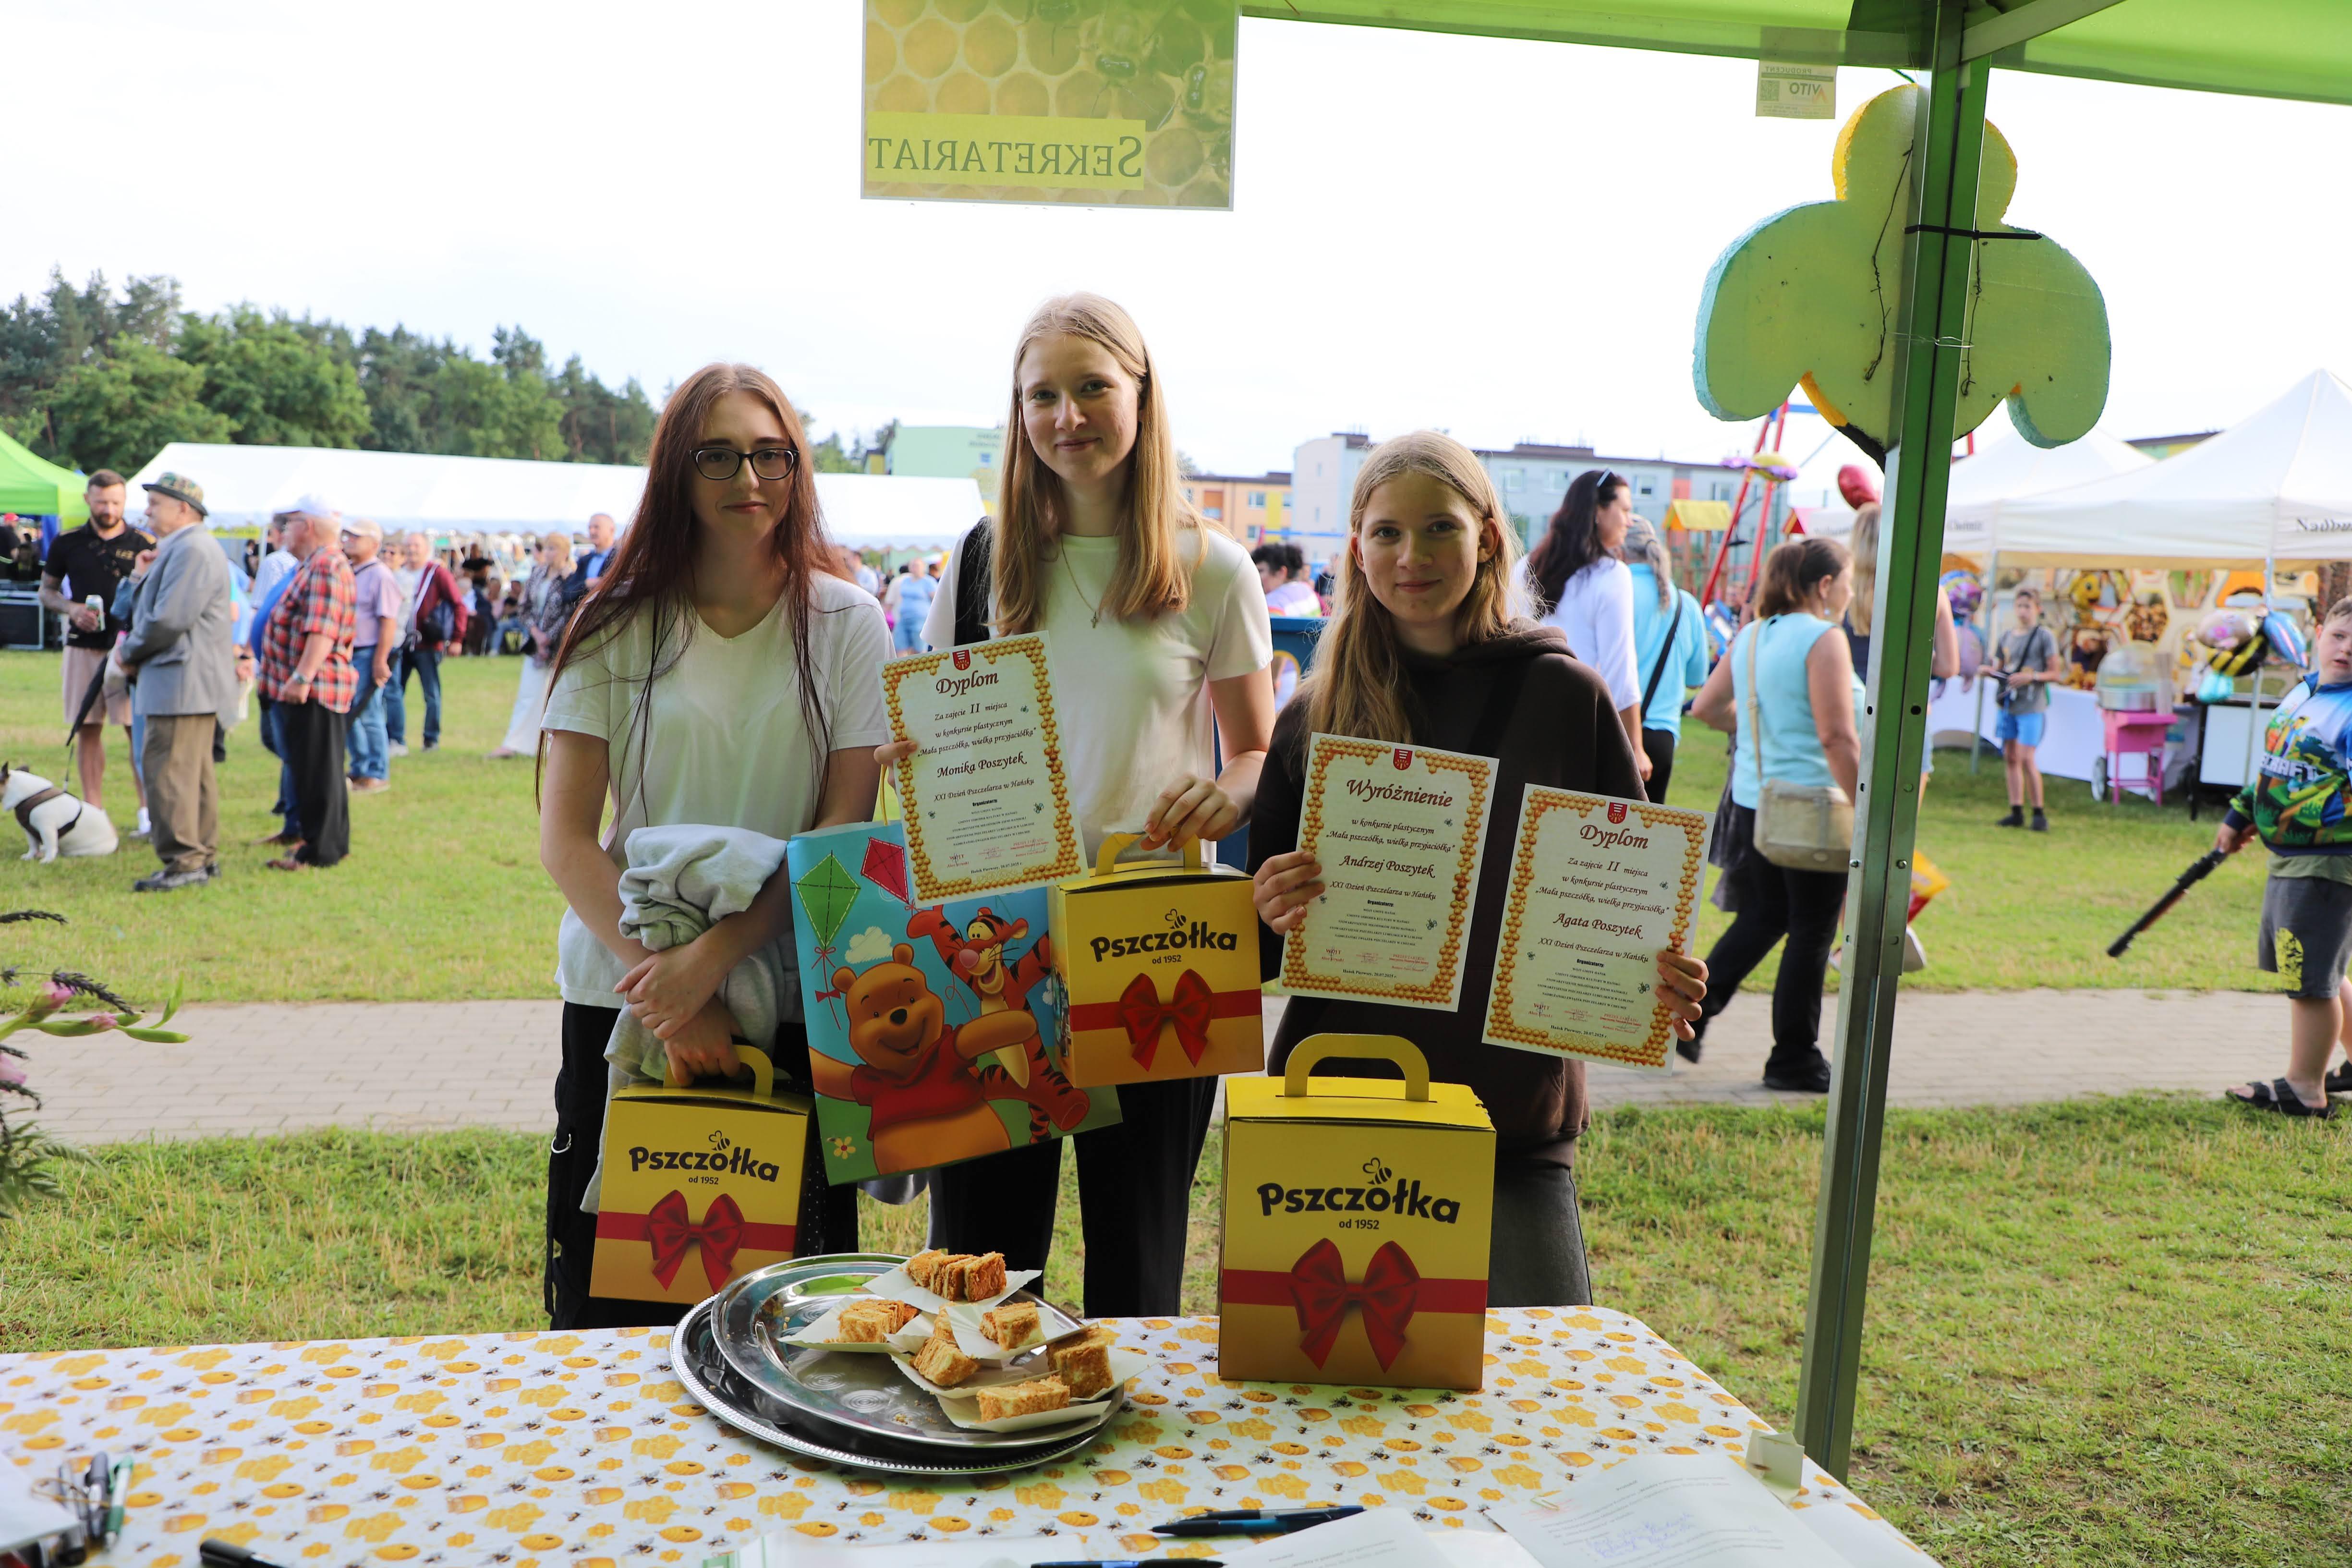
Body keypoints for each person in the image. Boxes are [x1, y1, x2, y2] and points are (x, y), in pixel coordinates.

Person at [1248, 432, 1706, 1306]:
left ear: (1488, 537)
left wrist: (1660, 978)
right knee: (1341, 1371)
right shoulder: (1315, 713)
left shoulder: (1566, 697)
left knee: (1538, 1369)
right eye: (1386, 533)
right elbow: (1261, 951)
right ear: (1356, 550)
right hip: (1344, 1099)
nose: (1410, 556)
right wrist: (1266, 907)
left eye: (1439, 529)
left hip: (1510, 1119)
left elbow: (1632, 903)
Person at [892, 292, 1275, 1318]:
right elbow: (938, 735)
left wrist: (1225, 793)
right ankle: (984, 1414)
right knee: (979, 1273)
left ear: (1142, 396)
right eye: (1041, 396)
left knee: (1137, 1269)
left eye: (1092, 387)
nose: (1066, 416)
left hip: (1153, 949)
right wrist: (912, 758)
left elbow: (1257, 751)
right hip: (996, 947)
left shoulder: (1212, 568)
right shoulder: (983, 558)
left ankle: (1128, 1430)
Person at [538, 362, 892, 1328]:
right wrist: (667, 991)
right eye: (719, 456)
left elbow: (841, 833)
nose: (750, 479)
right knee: (617, 1314)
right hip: (624, 999)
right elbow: (566, 839)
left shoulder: (847, 623)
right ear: (676, 472)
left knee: (785, 1320)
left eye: (772, 455)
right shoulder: (615, 622)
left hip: (787, 999)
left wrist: (711, 966)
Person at [1684, 537, 1863, 1093]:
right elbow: (1836, 737)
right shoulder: (1823, 638)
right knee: (1810, 931)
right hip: (1812, 806)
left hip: (1755, 800)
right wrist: (1870, 809)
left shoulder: (1753, 635)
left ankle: (1692, 1014)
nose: (1852, 591)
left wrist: (1764, 723)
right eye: (1849, 580)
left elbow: (1706, 707)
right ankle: (1793, 1057)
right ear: (1825, 585)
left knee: (1765, 916)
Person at [2219, 597, 2352, 1119]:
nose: (2347, 649)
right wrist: (2240, 815)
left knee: (2308, 978)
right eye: (2339, 635)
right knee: (2323, 968)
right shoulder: (2303, 692)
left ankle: (2305, 1089)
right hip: (2291, 855)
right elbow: (2275, 764)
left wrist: (2303, 813)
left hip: (2327, 860)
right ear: (2318, 633)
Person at [113, 473, 236, 892]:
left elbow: (169, 619)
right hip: (186, 681)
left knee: (167, 771)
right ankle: (200, 856)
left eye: (155, 503)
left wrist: (129, 652)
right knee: (191, 773)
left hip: (180, 680)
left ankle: (185, 862)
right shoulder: (185, 548)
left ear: (183, 508)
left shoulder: (192, 549)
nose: (146, 511)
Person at [41, 470, 153, 828]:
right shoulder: (67, 542)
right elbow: (47, 592)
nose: (109, 509)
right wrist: (73, 609)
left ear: (125, 501)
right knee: (88, 728)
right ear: (88, 499)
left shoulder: (144, 543)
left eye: (116, 502)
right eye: (102, 501)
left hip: (129, 650)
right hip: (83, 647)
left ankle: (148, 813)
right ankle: (94, 813)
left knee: (138, 730)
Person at [1528, 470, 1650, 785]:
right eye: (1625, 510)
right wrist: (1636, 748)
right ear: (1598, 511)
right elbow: (1620, 670)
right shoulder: (1612, 574)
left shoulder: (1525, 568)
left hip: (1523, 724)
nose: (1630, 521)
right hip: (1580, 729)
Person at [258, 505, 357, 871]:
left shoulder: (326, 565)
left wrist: (302, 677)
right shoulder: (317, 564)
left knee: (317, 772)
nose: (284, 530)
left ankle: (318, 851)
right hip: (312, 686)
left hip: (315, 687)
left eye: (291, 523)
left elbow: (322, 629)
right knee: (319, 769)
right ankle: (329, 843)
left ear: (308, 526)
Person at [1621, 517, 1708, 802]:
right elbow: (1696, 678)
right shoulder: (1686, 604)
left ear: (1619, 550)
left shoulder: (1613, 594)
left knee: (1593, 824)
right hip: (1662, 737)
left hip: (1614, 728)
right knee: (1647, 828)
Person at [488, 533, 575, 758]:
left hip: (559, 645)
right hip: (535, 644)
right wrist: (536, 634)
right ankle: (517, 743)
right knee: (528, 694)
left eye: (553, 549)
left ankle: (554, 748)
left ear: (565, 552)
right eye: (547, 549)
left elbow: (569, 612)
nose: (549, 553)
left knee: (554, 696)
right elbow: (524, 607)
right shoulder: (537, 573)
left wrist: (549, 637)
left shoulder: (571, 578)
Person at [1991, 585, 2062, 831]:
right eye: (2020, 606)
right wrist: (1990, 671)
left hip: (2032, 705)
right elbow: (2001, 668)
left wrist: (2031, 677)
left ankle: (2039, 813)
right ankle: (2016, 810)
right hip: (2009, 704)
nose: (2023, 611)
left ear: (2037, 609)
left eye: (2028, 607)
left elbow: (2055, 673)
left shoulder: (2044, 637)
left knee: (2026, 757)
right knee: (2010, 757)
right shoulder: (2006, 637)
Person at [390, 531, 468, 753]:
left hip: (427, 644)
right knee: (394, 692)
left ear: (426, 548)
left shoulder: (436, 573)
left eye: (416, 545)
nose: (412, 550)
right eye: (408, 545)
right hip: (401, 644)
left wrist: (457, 638)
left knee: (431, 693)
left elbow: (458, 605)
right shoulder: (398, 573)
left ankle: (431, 739)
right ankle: (394, 737)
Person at [341, 519, 401, 794]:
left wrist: (380, 660)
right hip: (348, 653)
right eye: (350, 536)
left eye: (358, 537)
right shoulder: (350, 570)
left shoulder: (380, 576)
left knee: (369, 712)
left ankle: (377, 771)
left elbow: (388, 622)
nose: (350, 540)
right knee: (349, 711)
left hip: (368, 652)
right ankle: (360, 767)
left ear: (374, 544)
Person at [1251, 540, 1319, 616]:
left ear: (1281, 572)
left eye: (1260, 571)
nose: (1256, 576)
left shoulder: (1272, 604)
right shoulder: (1308, 591)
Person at [892, 557, 937, 653]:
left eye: (917, 566)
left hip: (920, 619)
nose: (914, 568)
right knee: (900, 646)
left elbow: (936, 600)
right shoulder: (905, 581)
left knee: (919, 649)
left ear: (923, 567)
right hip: (904, 618)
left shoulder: (929, 581)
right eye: (912, 566)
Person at [568, 513, 618, 598]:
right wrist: (586, 584)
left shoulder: (619, 559)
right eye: (590, 528)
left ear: (611, 530)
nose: (592, 532)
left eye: (597, 527)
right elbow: (568, 592)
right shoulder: (584, 561)